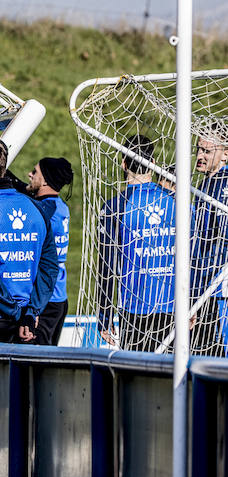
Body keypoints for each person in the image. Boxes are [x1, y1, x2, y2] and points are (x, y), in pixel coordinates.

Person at [0, 137, 59, 343]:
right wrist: (31, 312)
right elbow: (50, 267)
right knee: (18, 376)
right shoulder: (37, 208)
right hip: (27, 319)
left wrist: (15, 312)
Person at [98, 135, 176, 352]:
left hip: (134, 308)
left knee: (136, 374)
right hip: (174, 305)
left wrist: (104, 315)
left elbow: (107, 265)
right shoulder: (176, 202)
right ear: (153, 163)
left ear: (123, 163)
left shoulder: (115, 207)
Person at [27, 157, 73, 345]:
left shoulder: (44, 210)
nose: (30, 174)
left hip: (44, 301)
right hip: (59, 297)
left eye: (35, 171)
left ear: (45, 180)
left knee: (32, 365)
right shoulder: (61, 206)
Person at [190, 128, 228, 355]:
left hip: (220, 286)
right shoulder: (205, 185)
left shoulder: (224, 184)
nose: (199, 156)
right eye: (198, 150)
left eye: (207, 151)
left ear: (225, 154)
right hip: (207, 285)